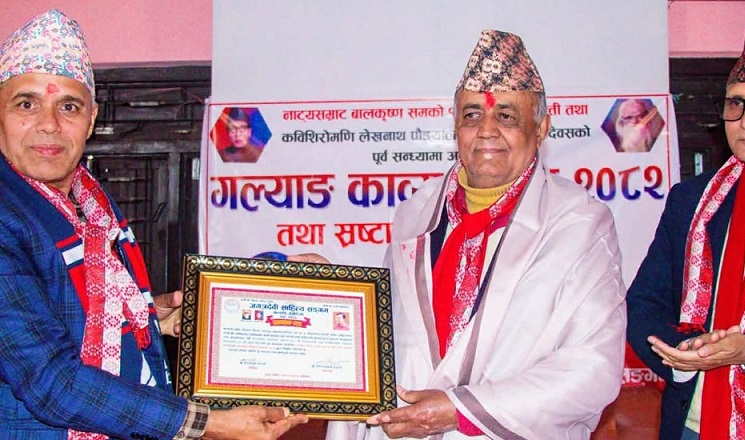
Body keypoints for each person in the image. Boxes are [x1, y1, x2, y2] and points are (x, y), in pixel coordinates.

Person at [0, 9, 307, 439]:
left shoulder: (91, 203)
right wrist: (209, 423)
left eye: (68, 106)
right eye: (26, 104)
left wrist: (146, 318)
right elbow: (51, 382)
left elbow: (70, 313)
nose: (49, 124)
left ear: (91, 119)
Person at [326, 29, 627, 440]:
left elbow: (592, 369)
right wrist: (327, 291)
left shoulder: (579, 224)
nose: (486, 130)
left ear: (541, 128)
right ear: (455, 125)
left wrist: (461, 410)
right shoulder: (416, 214)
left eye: (506, 116)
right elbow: (387, 337)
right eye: (472, 115)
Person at [627, 25, 745, 440]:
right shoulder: (692, 202)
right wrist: (683, 352)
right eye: (735, 104)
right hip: (691, 425)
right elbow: (644, 305)